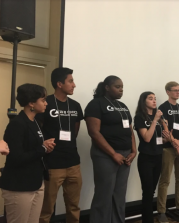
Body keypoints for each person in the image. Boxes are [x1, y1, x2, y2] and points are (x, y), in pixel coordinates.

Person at [1, 83, 55, 223]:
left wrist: (46, 148)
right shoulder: (17, 124)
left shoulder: (35, 122)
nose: (46, 103)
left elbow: (35, 149)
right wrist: (42, 148)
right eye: (43, 100)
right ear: (31, 103)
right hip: (19, 185)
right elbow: (16, 157)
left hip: (36, 181)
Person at [85, 76, 136, 223]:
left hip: (126, 155)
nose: (121, 90)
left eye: (122, 87)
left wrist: (134, 151)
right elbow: (94, 132)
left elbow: (130, 130)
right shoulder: (96, 104)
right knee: (104, 194)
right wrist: (113, 154)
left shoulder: (123, 106)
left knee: (119, 194)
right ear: (107, 87)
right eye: (117, 87)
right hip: (105, 156)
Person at [39, 68, 84, 223]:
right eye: (70, 81)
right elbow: (38, 130)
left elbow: (75, 131)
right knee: (46, 208)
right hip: (52, 164)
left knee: (73, 207)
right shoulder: (46, 104)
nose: (74, 85)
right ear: (59, 84)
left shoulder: (76, 106)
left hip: (73, 163)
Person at [134, 92, 174, 223]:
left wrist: (167, 138)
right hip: (146, 158)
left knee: (152, 192)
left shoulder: (159, 118)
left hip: (158, 156)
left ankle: (149, 218)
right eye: (150, 99)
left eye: (155, 98)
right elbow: (146, 138)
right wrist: (155, 120)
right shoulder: (140, 117)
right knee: (147, 191)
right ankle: (147, 220)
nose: (154, 101)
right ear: (143, 101)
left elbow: (159, 140)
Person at [157, 81, 179, 222]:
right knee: (165, 180)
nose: (177, 92)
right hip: (168, 148)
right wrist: (174, 144)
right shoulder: (162, 107)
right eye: (175, 90)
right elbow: (165, 129)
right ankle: (161, 211)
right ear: (167, 92)